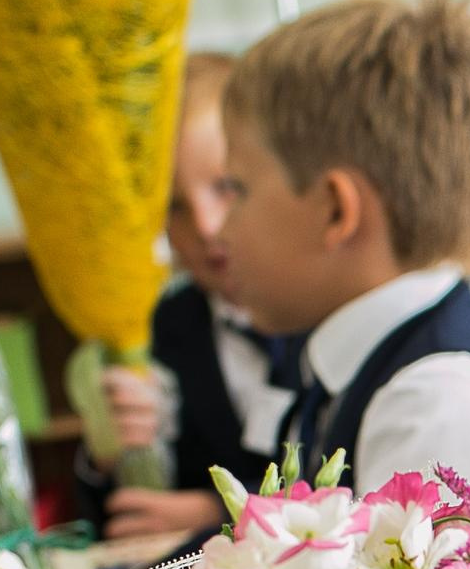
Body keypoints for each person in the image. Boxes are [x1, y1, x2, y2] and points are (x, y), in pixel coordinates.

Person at [215, 0, 470, 517]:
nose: (221, 228)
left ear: (335, 210)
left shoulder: (438, 410)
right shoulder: (379, 372)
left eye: (237, 190)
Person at [79, 52, 303, 538]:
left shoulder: (322, 312)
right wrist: (107, 455)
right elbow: (104, 521)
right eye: (175, 207)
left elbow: (359, 484)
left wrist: (219, 513)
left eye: (226, 188)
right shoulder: (158, 331)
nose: (204, 225)